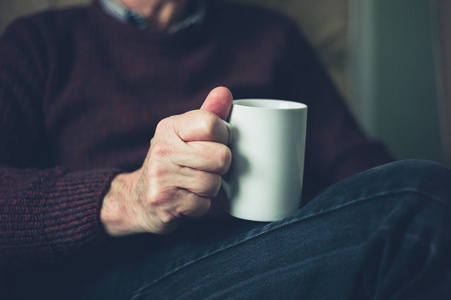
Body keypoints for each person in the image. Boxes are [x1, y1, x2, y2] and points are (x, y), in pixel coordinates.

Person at [0, 0, 450, 299]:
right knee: (420, 210)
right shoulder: (40, 44)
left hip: (268, 254)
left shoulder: (271, 36)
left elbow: (355, 166)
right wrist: (124, 199)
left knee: (424, 208)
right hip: (115, 277)